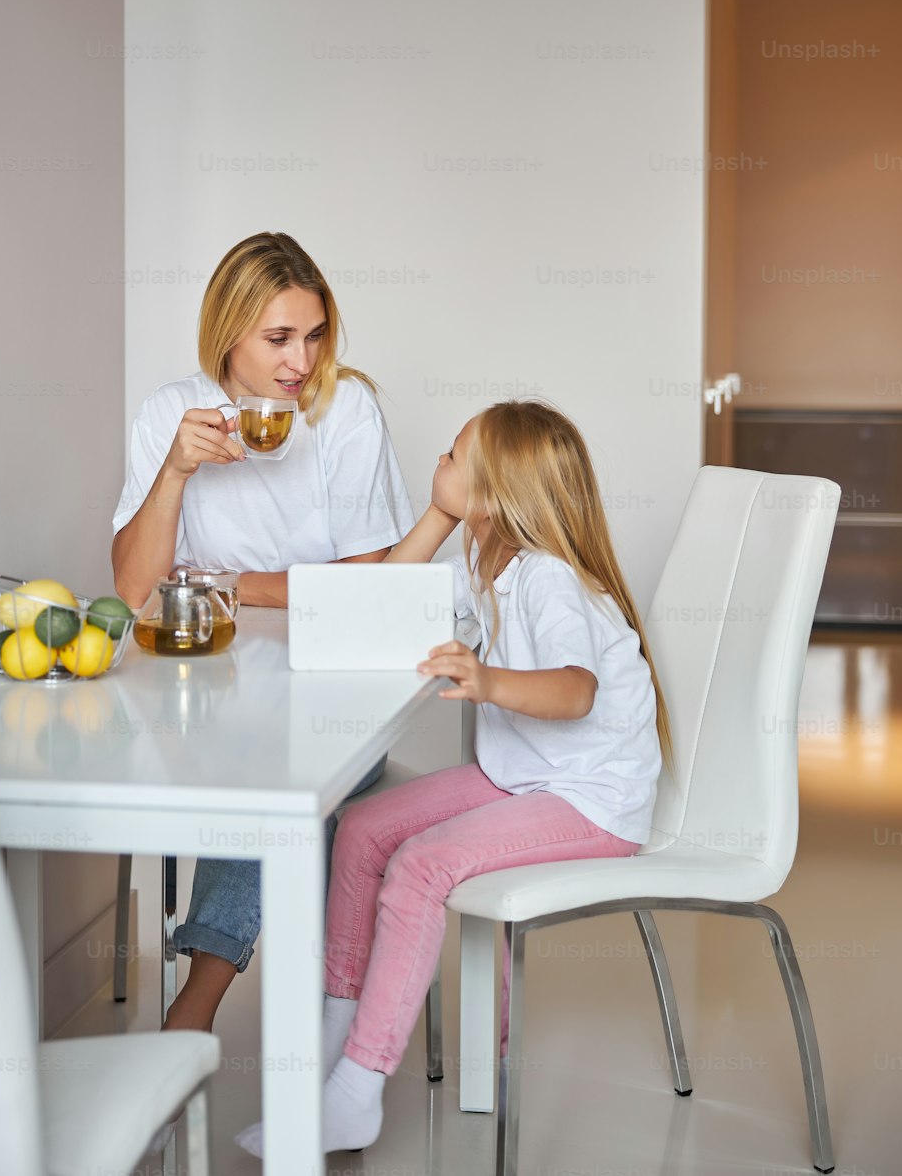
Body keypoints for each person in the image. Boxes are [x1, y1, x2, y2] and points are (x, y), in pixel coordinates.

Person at [235, 399, 672, 1158]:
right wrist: (442, 514)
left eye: (452, 456)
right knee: (364, 828)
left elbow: (576, 690)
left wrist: (489, 681)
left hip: (592, 799)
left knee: (420, 864)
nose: (437, 461)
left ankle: (355, 1091)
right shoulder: (490, 564)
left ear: (498, 490)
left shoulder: (549, 579)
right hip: (528, 776)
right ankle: (336, 1043)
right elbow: (378, 600)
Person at [111, 232, 415, 1030]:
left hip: (338, 692)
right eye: (279, 338)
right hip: (200, 695)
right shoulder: (169, 414)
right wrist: (176, 471)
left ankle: (194, 1003)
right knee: (230, 758)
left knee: (267, 775)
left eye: (314, 336)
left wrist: (222, 586)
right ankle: (312, 1019)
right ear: (228, 334)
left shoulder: (344, 410)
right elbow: (136, 591)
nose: (302, 362)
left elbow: (368, 586)